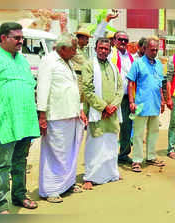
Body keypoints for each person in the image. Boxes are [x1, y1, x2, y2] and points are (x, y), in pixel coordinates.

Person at [36, 33, 88, 203]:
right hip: (56, 116)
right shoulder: (49, 61)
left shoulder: (68, 62)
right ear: (62, 48)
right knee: (55, 153)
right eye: (73, 49)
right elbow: (43, 89)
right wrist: (42, 116)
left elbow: (73, 88)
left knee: (69, 152)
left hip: (71, 114)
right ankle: (51, 190)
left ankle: (67, 184)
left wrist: (80, 109)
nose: (75, 52)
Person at [0, 22, 40, 214]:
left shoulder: (23, 61)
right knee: (3, 164)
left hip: (24, 121)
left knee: (20, 161)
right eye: (16, 38)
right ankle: (0, 204)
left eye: (21, 38)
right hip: (5, 122)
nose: (20, 41)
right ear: (3, 38)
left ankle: (19, 195)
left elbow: (30, 86)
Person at [81, 38, 123, 190]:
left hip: (111, 113)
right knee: (95, 144)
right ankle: (90, 177)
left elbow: (120, 88)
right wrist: (103, 107)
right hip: (97, 112)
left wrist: (113, 106)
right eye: (101, 48)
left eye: (106, 48)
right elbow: (87, 89)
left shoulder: (113, 66)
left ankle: (111, 173)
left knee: (111, 143)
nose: (103, 51)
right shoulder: (89, 65)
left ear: (110, 50)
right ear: (96, 49)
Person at [126, 36, 166, 172]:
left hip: (154, 104)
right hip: (141, 104)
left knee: (153, 132)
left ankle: (151, 157)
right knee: (138, 134)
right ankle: (137, 160)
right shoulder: (138, 63)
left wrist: (162, 100)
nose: (154, 52)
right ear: (145, 49)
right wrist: (131, 101)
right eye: (152, 49)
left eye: (156, 50)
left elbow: (160, 84)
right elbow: (130, 83)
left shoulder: (159, 64)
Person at [110, 31, 135, 164]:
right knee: (112, 126)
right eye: (120, 39)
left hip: (127, 97)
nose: (123, 42)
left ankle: (124, 154)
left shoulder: (131, 57)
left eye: (126, 40)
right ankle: (109, 155)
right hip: (113, 97)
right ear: (114, 41)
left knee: (126, 126)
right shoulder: (110, 53)